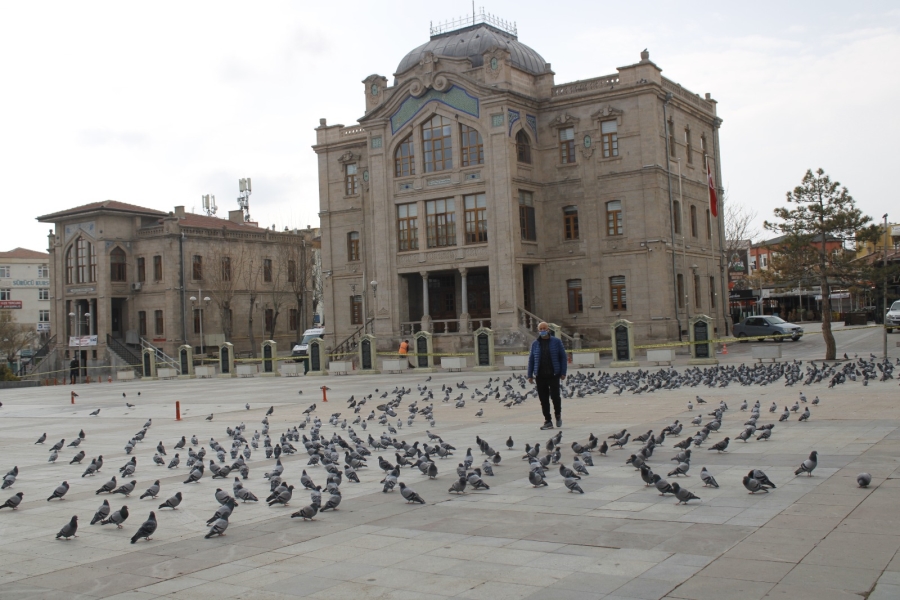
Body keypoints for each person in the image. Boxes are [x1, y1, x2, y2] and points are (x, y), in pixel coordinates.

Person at [527, 322, 567, 430]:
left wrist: (563, 372)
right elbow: (531, 360)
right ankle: (548, 420)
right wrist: (529, 374)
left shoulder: (556, 342)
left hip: (553, 374)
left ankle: (558, 415)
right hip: (540, 375)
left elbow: (563, 357)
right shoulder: (535, 344)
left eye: (544, 328)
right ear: (538, 330)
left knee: (555, 397)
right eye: (541, 329)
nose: (543, 330)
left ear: (548, 329)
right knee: (543, 399)